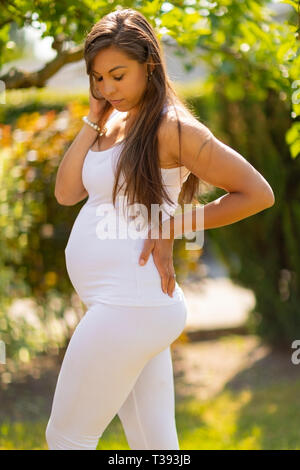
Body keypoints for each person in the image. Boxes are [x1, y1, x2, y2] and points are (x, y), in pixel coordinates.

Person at [45, 8, 275, 450]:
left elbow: (257, 193)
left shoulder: (173, 127)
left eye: (118, 75)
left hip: (131, 305)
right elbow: (66, 192)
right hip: (131, 306)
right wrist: (92, 118)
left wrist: (174, 224)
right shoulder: (110, 119)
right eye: (97, 78)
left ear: (149, 65)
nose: (107, 89)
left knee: (65, 439)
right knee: (155, 446)